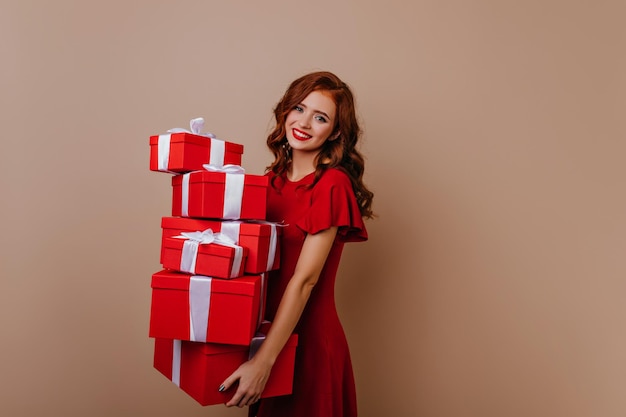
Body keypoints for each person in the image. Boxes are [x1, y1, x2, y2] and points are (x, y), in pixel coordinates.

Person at [219, 71, 374, 417]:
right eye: (299, 109)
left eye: (320, 117)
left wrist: (264, 362)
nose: (304, 123)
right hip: (263, 340)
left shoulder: (332, 185)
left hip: (308, 345)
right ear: (285, 112)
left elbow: (304, 281)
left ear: (334, 132)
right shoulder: (266, 184)